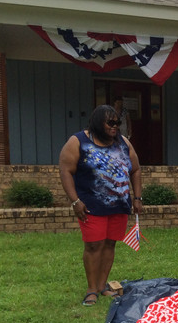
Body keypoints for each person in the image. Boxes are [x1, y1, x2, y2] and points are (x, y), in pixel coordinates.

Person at [59, 104, 143, 306]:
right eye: (110, 123)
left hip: (119, 205)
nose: (115, 126)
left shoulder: (123, 142)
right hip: (91, 205)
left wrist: (137, 198)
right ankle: (91, 289)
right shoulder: (78, 141)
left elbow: (136, 169)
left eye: (117, 122)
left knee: (109, 243)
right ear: (98, 123)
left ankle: (103, 285)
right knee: (93, 245)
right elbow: (65, 171)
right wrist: (75, 201)